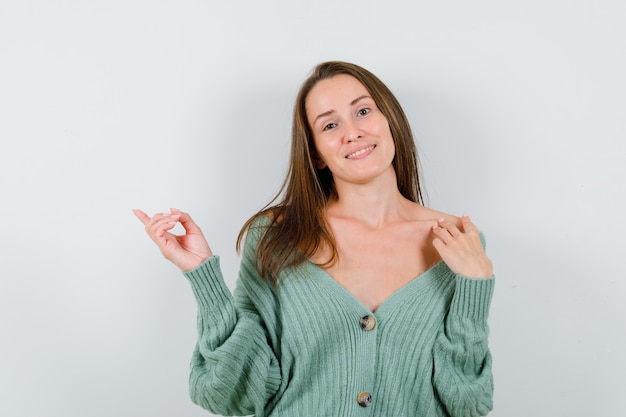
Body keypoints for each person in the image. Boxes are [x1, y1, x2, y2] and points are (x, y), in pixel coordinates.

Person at [134, 61, 495, 417]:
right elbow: (233, 394)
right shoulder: (276, 236)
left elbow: (467, 405)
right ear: (316, 154)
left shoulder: (456, 241)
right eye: (330, 125)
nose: (352, 132)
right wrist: (204, 277)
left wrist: (475, 288)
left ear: (391, 122)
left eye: (364, 111)